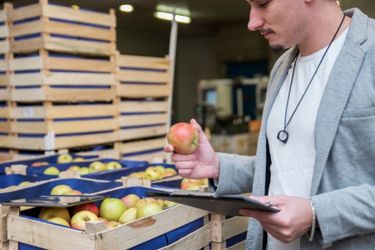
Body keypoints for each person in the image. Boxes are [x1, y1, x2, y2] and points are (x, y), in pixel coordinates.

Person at [165, 0, 375, 249]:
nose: (252, 23)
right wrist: (218, 167)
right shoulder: (282, 67)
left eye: (263, 3)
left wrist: (316, 213)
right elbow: (287, 166)